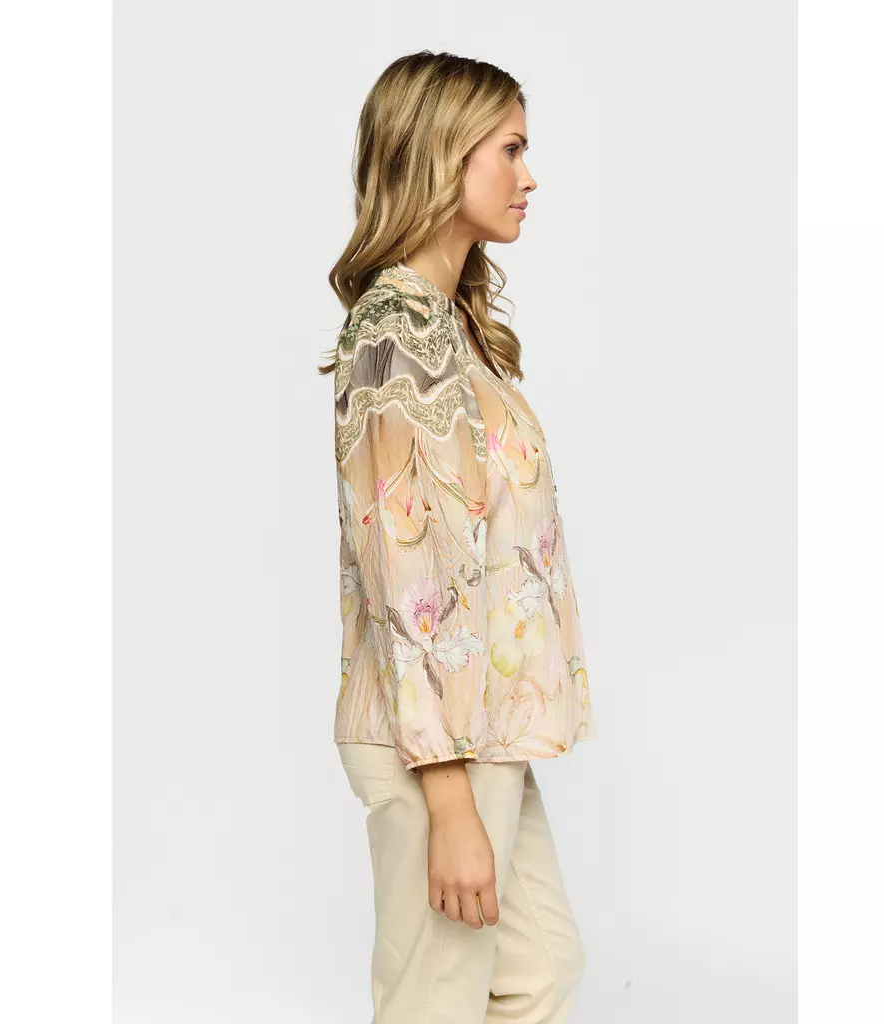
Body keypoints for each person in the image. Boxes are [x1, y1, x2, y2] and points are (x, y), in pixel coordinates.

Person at [318, 50, 597, 1023]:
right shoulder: (395, 332)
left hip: (485, 727)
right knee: (433, 1002)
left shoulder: (449, 325)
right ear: (444, 155)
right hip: (436, 742)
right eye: (510, 149)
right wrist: (446, 799)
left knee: (539, 968)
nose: (529, 176)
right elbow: (405, 572)